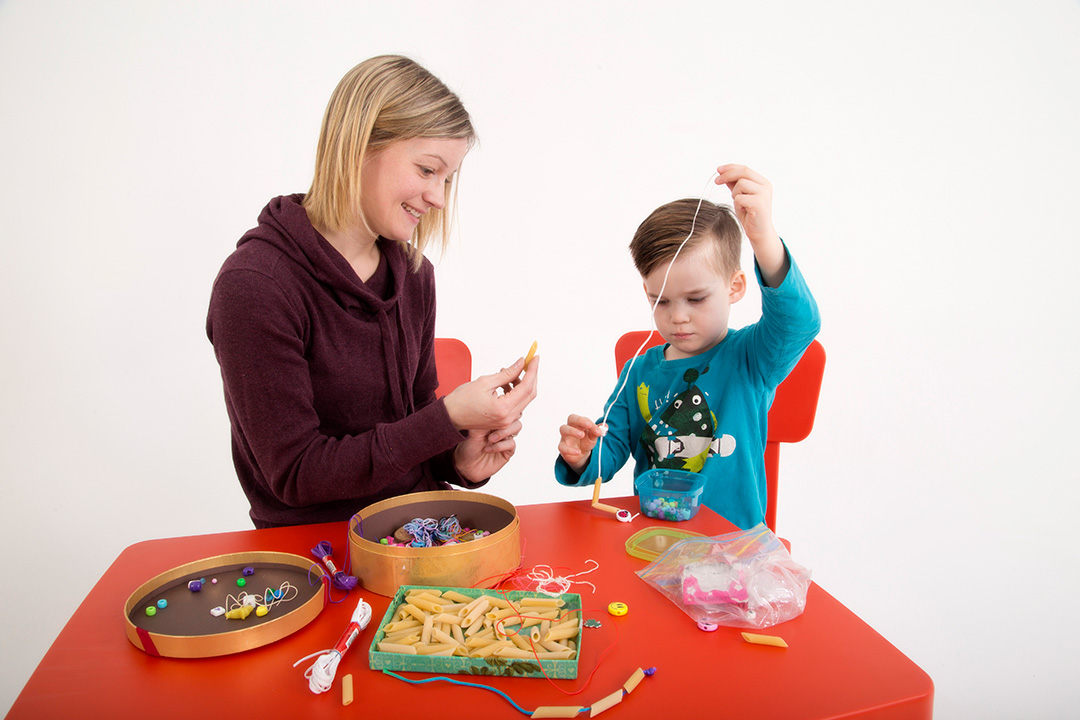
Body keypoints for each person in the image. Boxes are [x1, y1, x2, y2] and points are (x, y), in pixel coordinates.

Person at [207, 55, 538, 528]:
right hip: (318, 549)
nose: (440, 198)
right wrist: (445, 418)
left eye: (448, 178)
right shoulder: (255, 287)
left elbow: (413, 423)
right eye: (427, 170)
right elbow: (296, 474)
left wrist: (459, 459)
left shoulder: (414, 273)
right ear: (358, 146)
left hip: (420, 529)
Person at [555, 165, 819, 529]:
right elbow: (610, 449)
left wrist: (763, 239)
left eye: (696, 299)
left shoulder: (751, 359)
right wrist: (582, 456)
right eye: (661, 301)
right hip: (654, 542)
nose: (677, 317)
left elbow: (799, 323)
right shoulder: (638, 372)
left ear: (735, 287)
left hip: (733, 547)